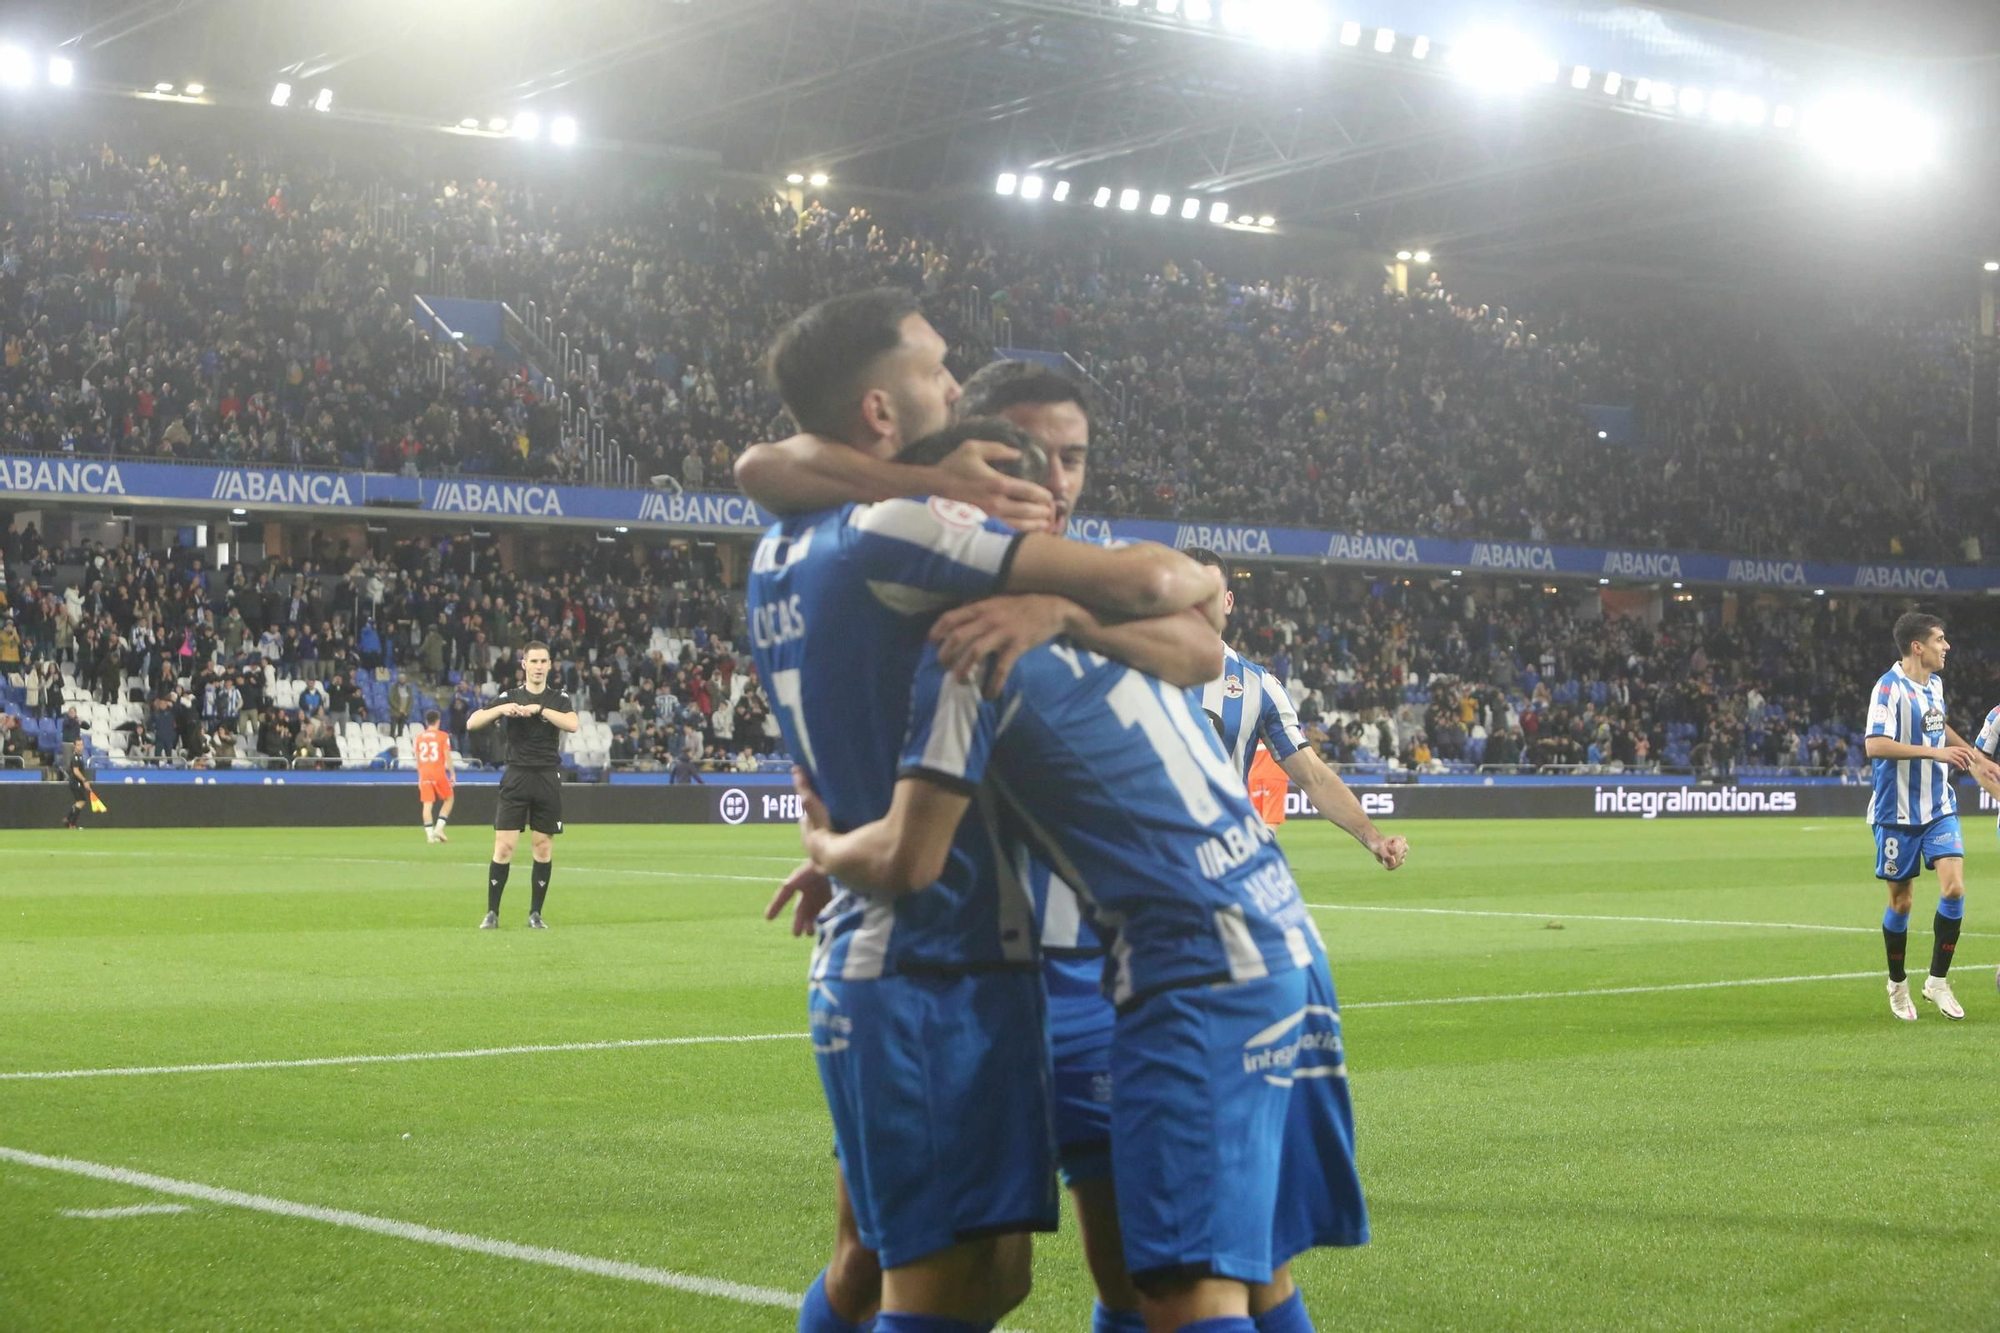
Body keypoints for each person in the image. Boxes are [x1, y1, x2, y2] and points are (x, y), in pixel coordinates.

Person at [745, 290, 1224, 1333]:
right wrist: (841, 841)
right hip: (942, 956)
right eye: (1032, 455)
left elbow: (1201, 644)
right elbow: (766, 461)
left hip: (1065, 970)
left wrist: (1064, 610)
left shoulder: (993, 561)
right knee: (894, 1265)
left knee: (1115, 1274)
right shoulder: (921, 538)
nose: (1056, 479)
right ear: (976, 451)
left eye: (1076, 457)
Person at [795, 615, 1368, 1333]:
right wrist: (850, 849)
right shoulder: (938, 636)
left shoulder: (1090, 623)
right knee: (892, 1264)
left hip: (1096, 987)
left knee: (1161, 1273)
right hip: (971, 984)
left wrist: (834, 848)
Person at [1183, 547, 1409, 875]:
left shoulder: (1259, 688)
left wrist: (1373, 838)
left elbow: (1314, 779)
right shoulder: (1130, 670)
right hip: (1141, 858)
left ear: (1228, 602)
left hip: (1217, 865)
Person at [1864, 612, 1988, 1021]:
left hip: (1939, 807)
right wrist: (1937, 753)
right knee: (1902, 902)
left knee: (1953, 890)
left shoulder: (1934, 685)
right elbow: (1876, 745)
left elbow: (1938, 726)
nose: (1946, 646)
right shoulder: (1887, 689)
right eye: (1939, 639)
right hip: (1896, 813)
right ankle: (1897, 984)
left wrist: (1971, 754)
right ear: (1918, 647)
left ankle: (1937, 981)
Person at [467, 642, 578, 929]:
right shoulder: (510, 696)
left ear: (550, 665)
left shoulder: (558, 698)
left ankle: (535, 914)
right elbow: (473, 722)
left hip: (546, 776)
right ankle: (492, 913)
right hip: (516, 775)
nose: (539, 666)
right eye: (534, 661)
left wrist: (539, 709)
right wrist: (503, 709)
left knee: (542, 847)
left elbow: (572, 723)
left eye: (544, 661)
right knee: (504, 847)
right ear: (524, 665)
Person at [415, 709, 456, 844]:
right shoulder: (443, 736)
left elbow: (418, 758)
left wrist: (420, 775)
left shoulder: (419, 737)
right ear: (438, 721)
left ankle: (429, 836)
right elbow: (447, 755)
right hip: (438, 772)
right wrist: (452, 773)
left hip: (424, 773)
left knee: (427, 804)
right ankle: (439, 828)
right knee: (449, 799)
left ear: (426, 722)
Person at [63, 739, 95, 831]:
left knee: (80, 801)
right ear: (74, 746)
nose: (80, 747)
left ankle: (68, 819)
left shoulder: (80, 757)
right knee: (81, 801)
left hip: (78, 782)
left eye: (81, 745)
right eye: (78, 745)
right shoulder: (75, 758)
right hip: (75, 782)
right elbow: (76, 771)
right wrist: (84, 780)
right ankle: (72, 823)